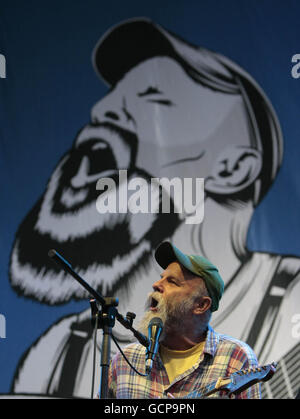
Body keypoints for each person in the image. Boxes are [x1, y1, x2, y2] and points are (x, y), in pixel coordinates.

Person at [10, 18, 299, 399]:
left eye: (153, 97)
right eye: (113, 98)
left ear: (232, 168)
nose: (102, 110)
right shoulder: (62, 349)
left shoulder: (275, 317)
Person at [108, 241, 261, 399]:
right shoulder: (124, 361)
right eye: (161, 278)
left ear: (201, 305)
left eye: (172, 282)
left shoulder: (235, 358)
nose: (156, 285)